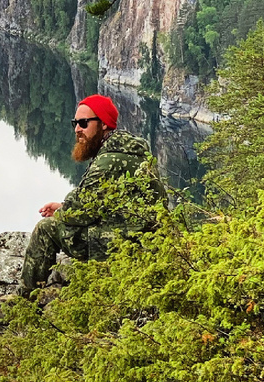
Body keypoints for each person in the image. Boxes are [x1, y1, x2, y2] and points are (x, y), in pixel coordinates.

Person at [20, 94, 165, 294]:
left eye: (83, 123)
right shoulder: (128, 150)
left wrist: (63, 213)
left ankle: (24, 300)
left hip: (132, 243)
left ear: (104, 124)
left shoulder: (109, 161)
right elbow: (96, 202)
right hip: (144, 236)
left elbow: (81, 212)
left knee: (46, 228)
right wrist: (64, 207)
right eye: (75, 123)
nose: (77, 129)